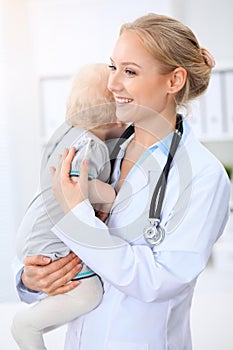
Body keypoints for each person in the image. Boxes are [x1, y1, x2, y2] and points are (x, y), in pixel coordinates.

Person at [15, 13, 231, 350]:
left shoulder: (204, 176)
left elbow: (159, 281)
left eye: (130, 71)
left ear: (173, 81)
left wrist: (80, 220)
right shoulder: (99, 146)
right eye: (113, 67)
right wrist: (34, 279)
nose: (113, 83)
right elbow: (47, 222)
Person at [12, 63, 126, 350]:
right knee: (87, 293)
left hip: (41, 234)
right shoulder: (92, 145)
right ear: (112, 115)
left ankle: (30, 324)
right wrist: (109, 195)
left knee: (83, 294)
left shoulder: (75, 136)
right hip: (49, 239)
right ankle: (26, 325)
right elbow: (73, 181)